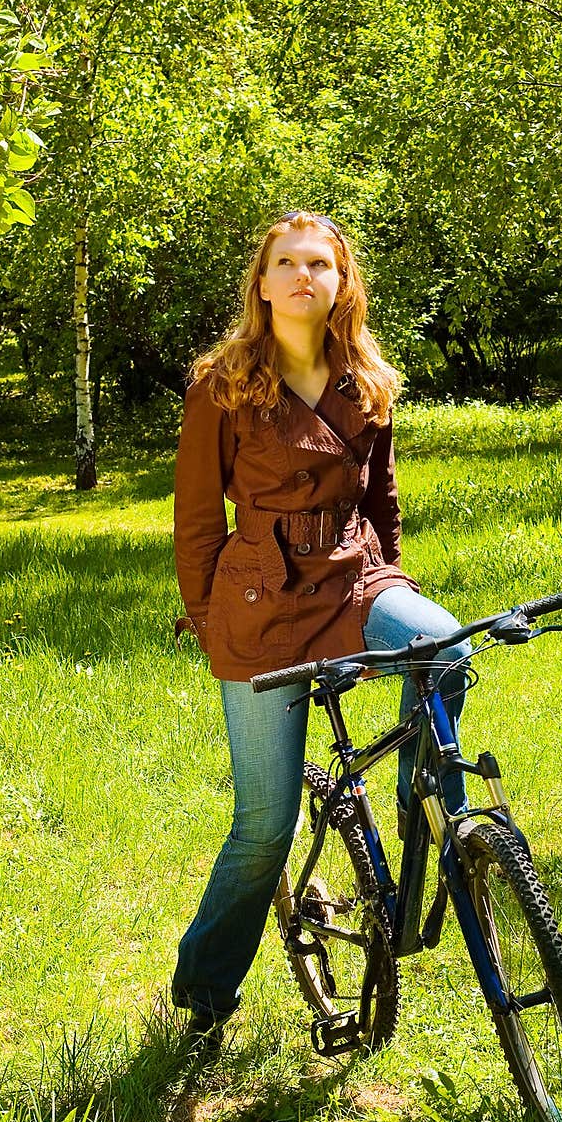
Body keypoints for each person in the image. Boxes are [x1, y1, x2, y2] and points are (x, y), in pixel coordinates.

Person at [171, 209, 470, 1050]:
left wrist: (392, 588)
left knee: (446, 649)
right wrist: (212, 629)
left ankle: (432, 829)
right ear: (262, 284)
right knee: (265, 826)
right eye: (287, 262)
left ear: (342, 283)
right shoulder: (221, 386)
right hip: (259, 606)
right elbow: (196, 525)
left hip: (353, 579)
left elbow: (383, 505)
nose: (305, 276)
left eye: (321, 264)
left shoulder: (366, 379)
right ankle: (202, 994)